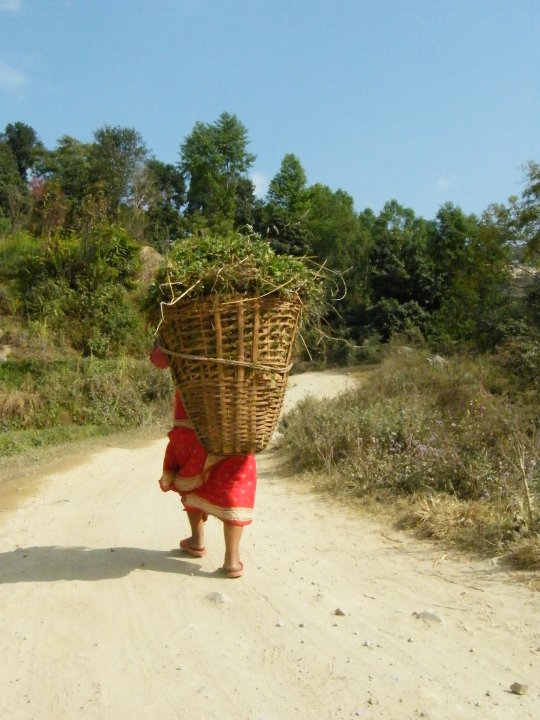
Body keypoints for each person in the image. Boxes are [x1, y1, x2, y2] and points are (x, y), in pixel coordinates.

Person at [150, 344, 256, 578]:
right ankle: (232, 559)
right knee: (236, 480)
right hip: (237, 413)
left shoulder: (181, 316)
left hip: (193, 415)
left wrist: (161, 338)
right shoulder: (249, 320)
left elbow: (159, 359)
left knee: (190, 474)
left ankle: (197, 540)